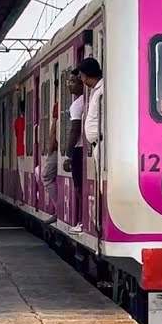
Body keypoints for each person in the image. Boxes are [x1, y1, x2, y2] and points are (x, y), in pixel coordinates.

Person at [63, 71, 85, 231]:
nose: (68, 84)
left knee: (78, 186)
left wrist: (68, 155)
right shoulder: (85, 100)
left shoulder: (78, 104)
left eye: (72, 81)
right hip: (84, 148)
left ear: (80, 82)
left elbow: (74, 130)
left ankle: (83, 220)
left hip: (79, 149)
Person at [41, 118, 59, 214]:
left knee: (46, 176)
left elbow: (53, 133)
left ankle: (58, 209)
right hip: (60, 151)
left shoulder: (56, 116)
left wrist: (50, 150)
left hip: (56, 152)